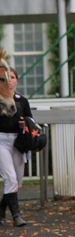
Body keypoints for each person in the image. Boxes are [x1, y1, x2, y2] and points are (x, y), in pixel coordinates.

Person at [0, 68, 30, 227]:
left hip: (18, 142)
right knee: (10, 178)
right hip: (1, 141)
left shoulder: (22, 100)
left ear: (16, 80)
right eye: (6, 78)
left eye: (12, 77)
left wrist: (26, 125)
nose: (9, 80)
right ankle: (16, 215)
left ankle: (1, 210)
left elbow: (30, 120)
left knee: (16, 181)